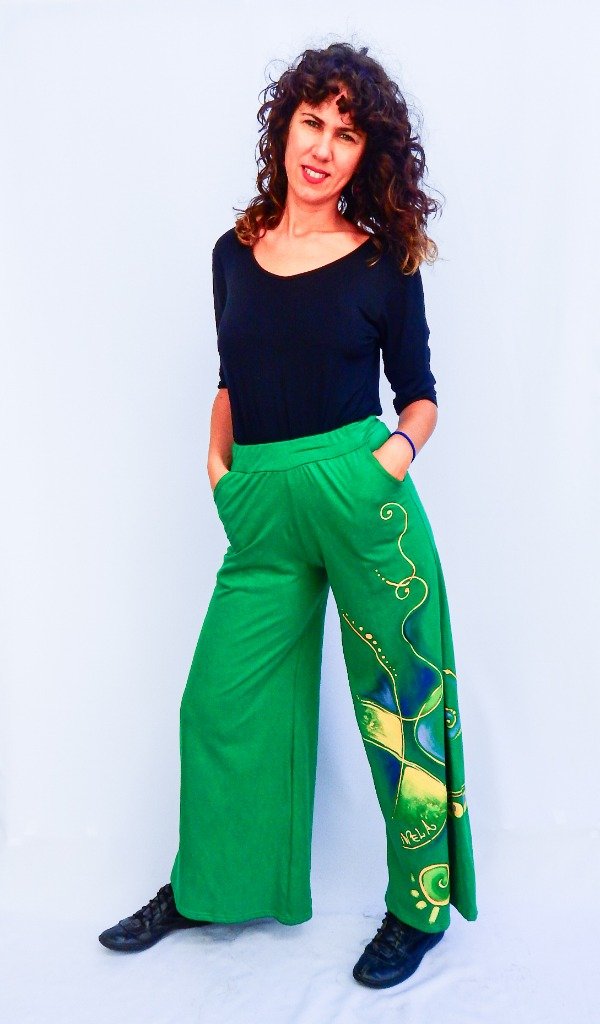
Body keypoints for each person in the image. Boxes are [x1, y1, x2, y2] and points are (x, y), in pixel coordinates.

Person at [98, 41, 478, 990]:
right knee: (220, 700)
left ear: (366, 156)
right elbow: (233, 374)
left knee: (401, 702)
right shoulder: (231, 254)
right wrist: (220, 464)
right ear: (284, 129)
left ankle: (418, 908)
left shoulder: (383, 262)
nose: (323, 147)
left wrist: (388, 462)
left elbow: (421, 395)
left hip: (360, 498)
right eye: (312, 122)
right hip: (262, 506)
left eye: (346, 134)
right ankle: (210, 885)